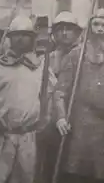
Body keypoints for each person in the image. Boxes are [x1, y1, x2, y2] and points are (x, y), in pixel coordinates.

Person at [0, 15, 57, 183]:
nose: (21, 38)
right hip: (1, 135)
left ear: (32, 38)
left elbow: (51, 98)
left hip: (30, 136)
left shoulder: (41, 66)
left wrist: (45, 124)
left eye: (26, 34)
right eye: (17, 34)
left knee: (27, 179)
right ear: (9, 38)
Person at [53, 9, 104, 183]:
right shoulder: (76, 55)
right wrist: (61, 117)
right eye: (96, 24)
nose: (100, 29)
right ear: (89, 27)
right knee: (78, 174)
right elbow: (60, 91)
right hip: (80, 126)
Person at [39, 11, 82, 182]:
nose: (64, 33)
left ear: (77, 33)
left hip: (76, 122)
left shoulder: (84, 56)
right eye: (60, 29)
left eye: (69, 29)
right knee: (49, 168)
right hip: (49, 123)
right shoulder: (45, 59)